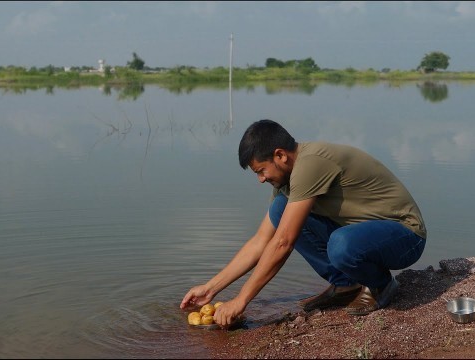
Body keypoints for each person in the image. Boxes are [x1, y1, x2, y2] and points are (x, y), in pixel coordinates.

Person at [180, 119, 427, 327]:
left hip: (405, 235)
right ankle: (346, 285)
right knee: (280, 209)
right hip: (365, 234)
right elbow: (261, 240)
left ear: (280, 155)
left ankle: (381, 285)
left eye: (261, 170)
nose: (260, 179)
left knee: (342, 245)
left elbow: (283, 243)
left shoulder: (311, 164)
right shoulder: (286, 181)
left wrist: (241, 300)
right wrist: (211, 288)